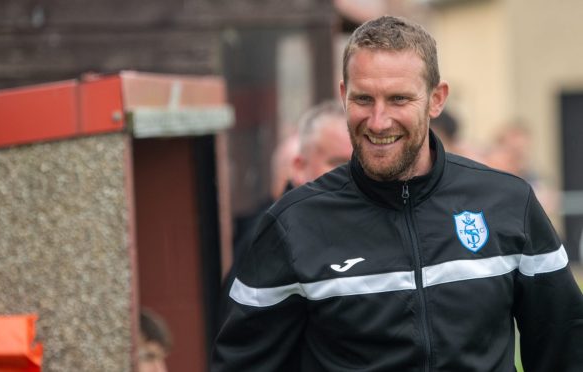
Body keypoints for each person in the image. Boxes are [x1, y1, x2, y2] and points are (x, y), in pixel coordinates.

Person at [211, 15, 583, 371]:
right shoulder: (292, 225)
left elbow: (565, 352)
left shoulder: (508, 203)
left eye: (399, 99)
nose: (378, 121)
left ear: (437, 99)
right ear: (343, 96)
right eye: (363, 99)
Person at [219, 100, 352, 319]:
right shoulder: (273, 237)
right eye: (338, 163)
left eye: (359, 164)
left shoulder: (369, 223)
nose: (350, 175)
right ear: (299, 167)